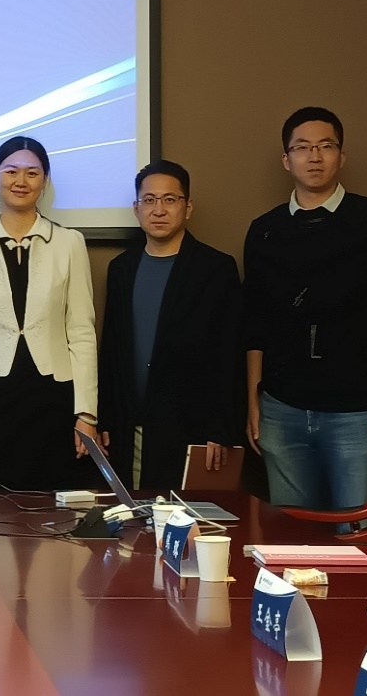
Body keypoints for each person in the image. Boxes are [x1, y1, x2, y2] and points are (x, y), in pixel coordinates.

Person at [245, 107, 367, 511]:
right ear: (286, 160)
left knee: (356, 534)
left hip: (358, 411)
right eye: (302, 148)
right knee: (291, 534)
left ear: (342, 155)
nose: (315, 156)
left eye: (326, 146)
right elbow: (254, 324)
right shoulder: (265, 230)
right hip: (282, 410)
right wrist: (253, 401)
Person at [0, 136, 98, 491]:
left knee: (55, 502)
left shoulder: (70, 243)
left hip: (55, 395)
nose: (21, 181)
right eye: (11, 171)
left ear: (45, 181)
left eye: (32, 173)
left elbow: (82, 332)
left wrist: (87, 413)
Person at [98, 160, 244, 491]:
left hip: (193, 428)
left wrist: (220, 428)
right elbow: (112, 349)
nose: (159, 210)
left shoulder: (216, 269)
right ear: (136, 208)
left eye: (170, 199)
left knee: (189, 517)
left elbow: (228, 354)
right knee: (135, 513)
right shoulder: (121, 268)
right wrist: (106, 415)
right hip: (131, 425)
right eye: (149, 200)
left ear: (187, 207)